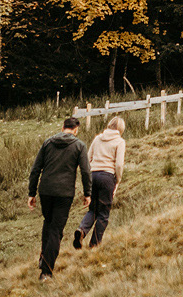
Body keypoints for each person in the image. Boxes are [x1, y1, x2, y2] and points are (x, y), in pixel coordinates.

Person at [27, 117, 92, 282]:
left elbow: (35, 169)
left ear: (62, 127)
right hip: (64, 193)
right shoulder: (79, 145)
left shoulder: (48, 143)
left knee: (48, 223)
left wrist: (32, 193)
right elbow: (85, 171)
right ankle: (46, 272)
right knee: (56, 229)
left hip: (46, 190)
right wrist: (87, 193)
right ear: (76, 130)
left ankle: (43, 257)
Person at [74, 116, 126, 250]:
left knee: (93, 209)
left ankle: (82, 230)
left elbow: (87, 157)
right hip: (107, 177)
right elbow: (119, 165)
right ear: (121, 129)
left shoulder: (98, 138)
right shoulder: (120, 142)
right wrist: (117, 180)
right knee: (103, 213)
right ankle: (94, 245)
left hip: (93, 175)